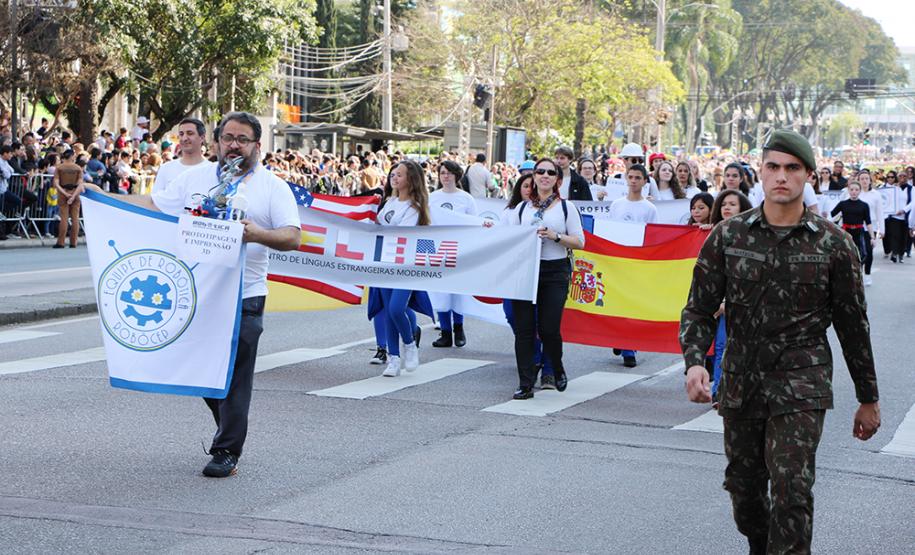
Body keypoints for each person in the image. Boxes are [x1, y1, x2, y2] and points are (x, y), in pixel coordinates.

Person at [681, 130, 880, 555]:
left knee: (793, 487)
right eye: (773, 167)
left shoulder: (834, 244)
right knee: (745, 491)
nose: (781, 177)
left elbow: (853, 327)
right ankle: (761, 542)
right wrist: (695, 361)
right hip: (741, 383)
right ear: (761, 171)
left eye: (792, 168)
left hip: (802, 383)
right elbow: (698, 309)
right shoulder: (729, 236)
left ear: (808, 175)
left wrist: (869, 397)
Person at [81, 111, 301, 478]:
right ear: (215, 142)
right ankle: (230, 423)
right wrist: (103, 197)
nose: (234, 144)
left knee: (235, 374)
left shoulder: (272, 187)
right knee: (203, 369)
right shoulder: (192, 179)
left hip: (245, 294)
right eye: (228, 137)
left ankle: (227, 450)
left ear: (257, 146)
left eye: (242, 139)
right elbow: (153, 205)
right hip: (198, 292)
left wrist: (256, 234)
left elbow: (292, 237)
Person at [507, 158, 584, 399]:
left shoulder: (565, 208)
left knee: (549, 328)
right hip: (526, 271)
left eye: (551, 173)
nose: (545, 176)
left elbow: (580, 241)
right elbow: (508, 238)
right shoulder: (521, 209)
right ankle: (526, 383)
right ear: (534, 177)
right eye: (540, 171)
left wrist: (555, 236)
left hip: (555, 271)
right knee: (524, 330)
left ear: (557, 180)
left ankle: (556, 367)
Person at [501, 173, 557, 389]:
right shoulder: (511, 212)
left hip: (546, 271)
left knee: (547, 323)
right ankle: (533, 354)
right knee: (514, 315)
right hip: (516, 272)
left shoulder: (554, 211)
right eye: (525, 186)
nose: (529, 189)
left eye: (532, 186)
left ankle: (549, 370)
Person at [375, 160, 430, 377]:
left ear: (411, 179)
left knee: (397, 308)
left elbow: (402, 233)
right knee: (388, 311)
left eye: (399, 175)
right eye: (392, 174)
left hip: (406, 265)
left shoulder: (414, 207)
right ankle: (393, 359)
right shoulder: (389, 203)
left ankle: (409, 344)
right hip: (385, 262)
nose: (394, 178)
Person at [607, 164, 658, 368]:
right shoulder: (617, 204)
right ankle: (619, 338)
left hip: (638, 259)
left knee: (632, 304)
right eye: (631, 177)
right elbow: (610, 229)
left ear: (645, 181)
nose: (634, 181)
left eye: (638, 177)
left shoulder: (649, 208)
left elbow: (653, 234)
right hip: (618, 258)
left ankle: (629, 346)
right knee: (617, 301)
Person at [706, 189, 753, 403]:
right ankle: (718, 391)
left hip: (745, 300)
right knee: (721, 346)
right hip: (719, 299)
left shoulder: (750, 235)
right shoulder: (713, 233)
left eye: (732, 204)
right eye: (724, 204)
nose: (727, 207)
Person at [429, 160, 477, 348]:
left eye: (449, 173)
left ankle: (459, 328)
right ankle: (445, 332)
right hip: (438, 249)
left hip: (460, 249)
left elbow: (474, 224)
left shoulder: (466, 199)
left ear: (457, 175)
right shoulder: (432, 197)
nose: (446, 176)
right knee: (440, 291)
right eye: (442, 173)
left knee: (457, 291)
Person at [153, 118, 213, 194]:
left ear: (202, 137)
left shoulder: (212, 170)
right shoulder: (165, 169)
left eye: (190, 133)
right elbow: (155, 201)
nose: (184, 138)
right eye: (181, 134)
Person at [848, 170, 883, 286]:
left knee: (868, 251)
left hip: (870, 227)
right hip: (854, 226)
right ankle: (858, 273)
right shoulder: (854, 193)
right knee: (856, 252)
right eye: (861, 178)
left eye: (866, 178)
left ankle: (867, 274)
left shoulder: (876, 195)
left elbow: (880, 213)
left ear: (870, 180)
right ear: (858, 180)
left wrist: (882, 230)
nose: (864, 181)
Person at [831, 180, 873, 270]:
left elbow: (868, 222)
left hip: (859, 232)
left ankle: (859, 274)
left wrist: (872, 237)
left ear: (860, 191)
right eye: (852, 189)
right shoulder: (843, 204)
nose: (854, 191)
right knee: (845, 253)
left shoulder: (864, 205)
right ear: (848, 191)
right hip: (846, 232)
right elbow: (832, 214)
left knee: (860, 254)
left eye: (856, 190)